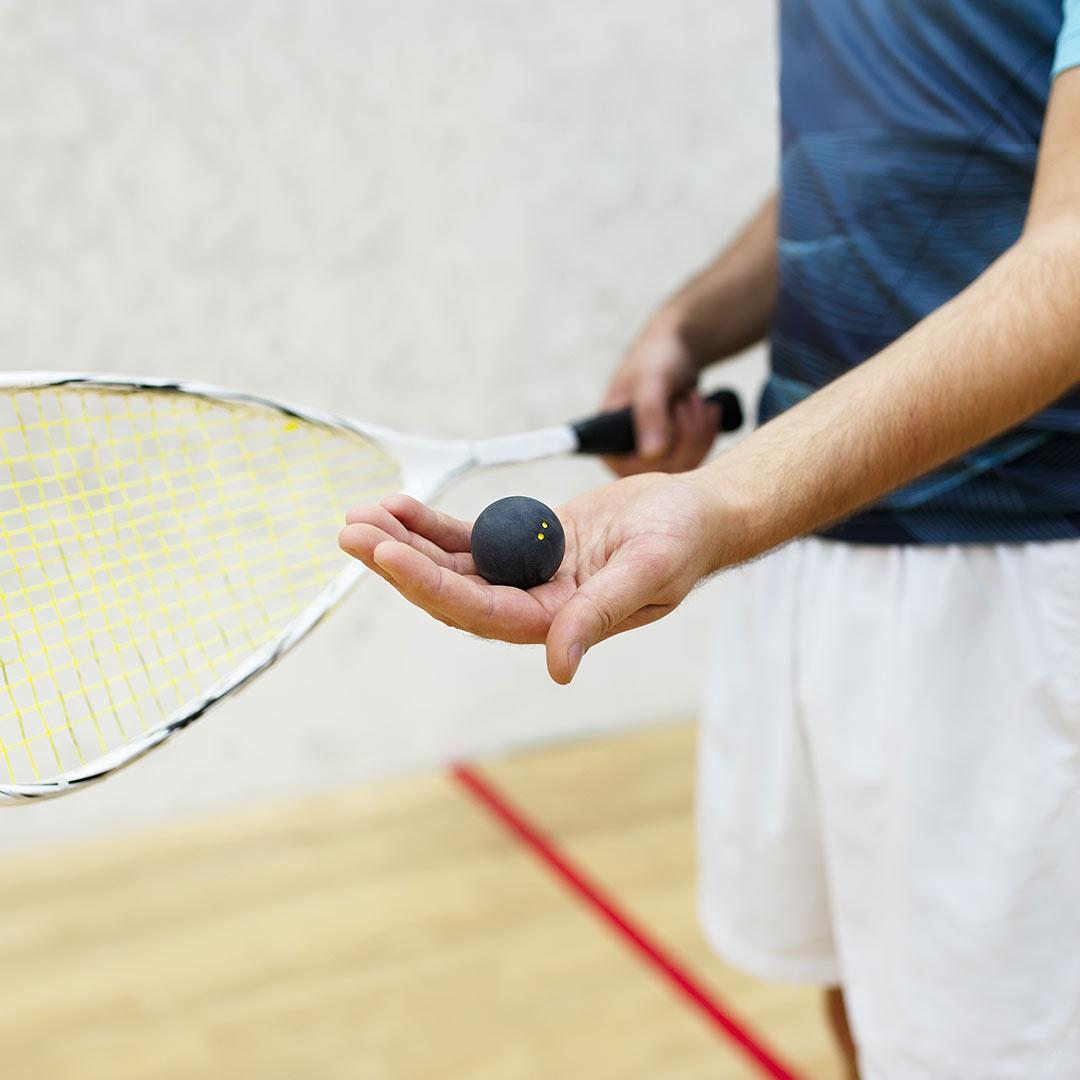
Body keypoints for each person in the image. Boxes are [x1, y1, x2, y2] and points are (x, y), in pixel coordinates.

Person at [339, 3, 1080, 1076]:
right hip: (810, 542)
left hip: (1017, 577)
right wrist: (694, 320)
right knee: (865, 1008)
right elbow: (905, 152)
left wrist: (725, 501)